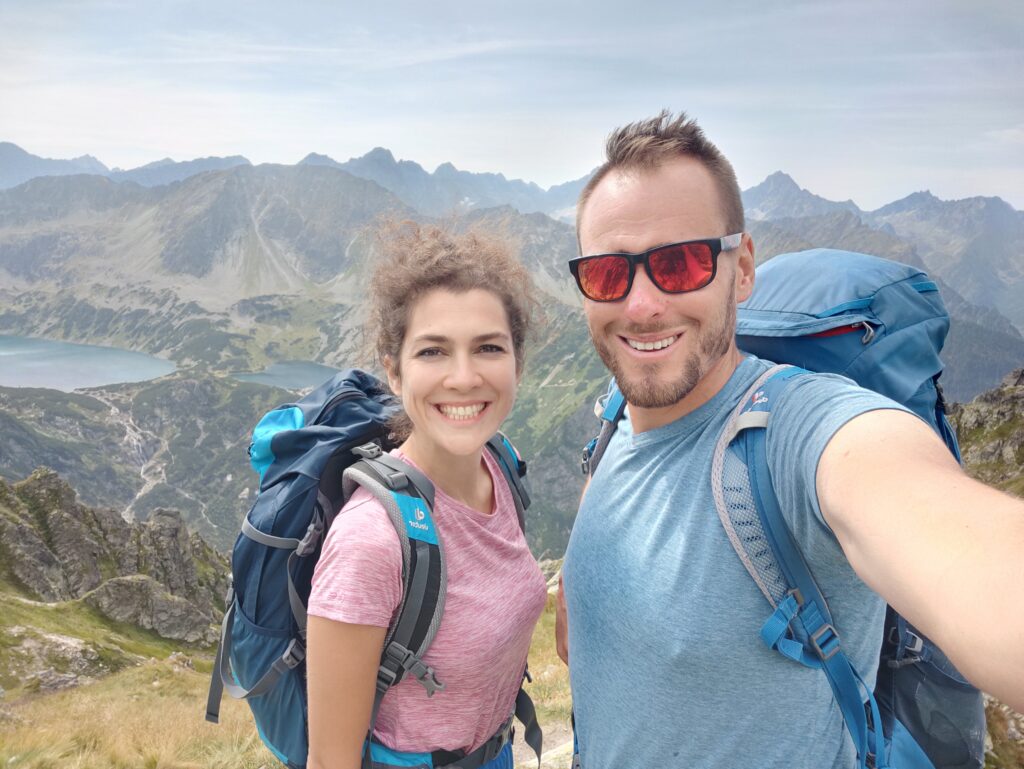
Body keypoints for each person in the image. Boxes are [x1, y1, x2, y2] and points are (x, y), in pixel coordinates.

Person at [556, 111, 1024, 768]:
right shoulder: (613, 421)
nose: (641, 305)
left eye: (681, 264)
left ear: (742, 269)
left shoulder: (799, 435)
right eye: (608, 274)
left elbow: (959, 545)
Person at [306, 223, 547, 769]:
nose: (463, 377)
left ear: (517, 361)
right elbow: (329, 762)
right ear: (394, 371)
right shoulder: (370, 543)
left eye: (488, 347)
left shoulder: (499, 465)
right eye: (433, 351)